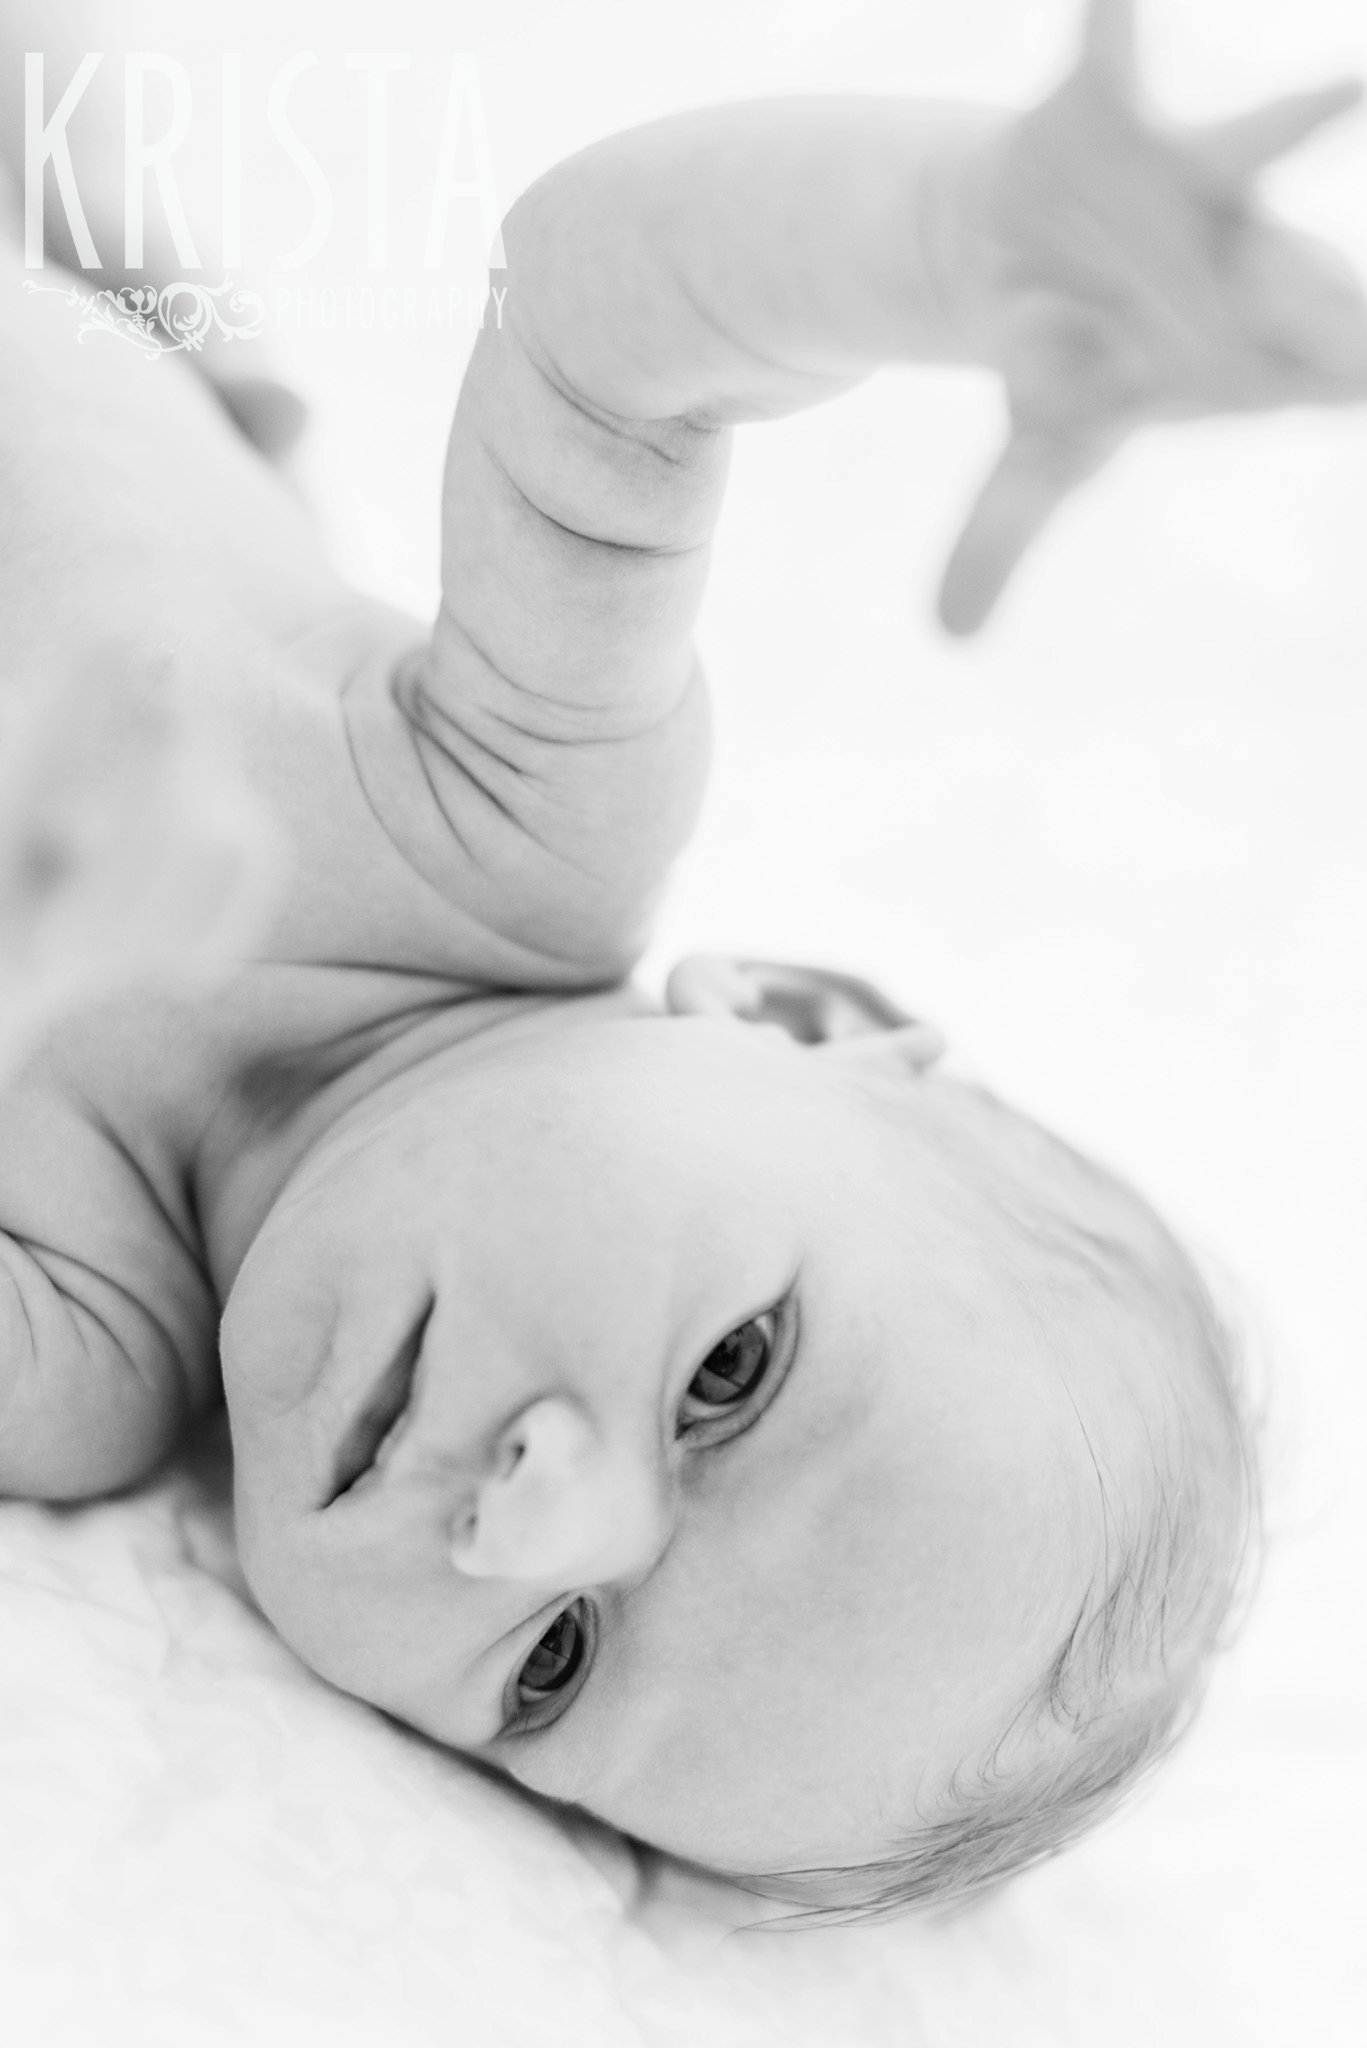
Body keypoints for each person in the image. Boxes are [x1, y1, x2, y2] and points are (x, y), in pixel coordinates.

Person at [1, 0, 1362, 1923]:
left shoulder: (67, 1349)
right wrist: (964, 232)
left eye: (556, 1661)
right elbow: (600, 326)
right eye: (730, 1374)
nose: (522, 1516)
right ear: (798, 1021)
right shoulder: (503, 813)